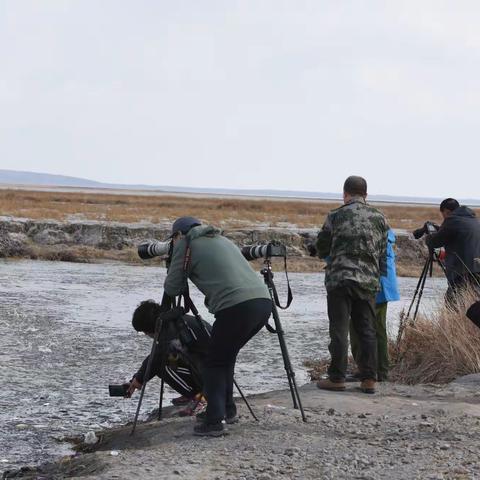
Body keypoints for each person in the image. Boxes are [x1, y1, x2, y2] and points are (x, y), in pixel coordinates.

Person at [163, 216, 272, 436]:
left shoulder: (186, 244)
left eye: (173, 240)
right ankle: (226, 410)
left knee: (213, 362)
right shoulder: (222, 239)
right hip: (262, 303)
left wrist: (173, 260)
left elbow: (173, 288)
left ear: (178, 235)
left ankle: (214, 421)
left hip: (236, 307)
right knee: (225, 356)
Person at [315, 176, 388, 394]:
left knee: (339, 329)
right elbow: (383, 253)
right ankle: (369, 379)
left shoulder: (336, 215)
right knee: (366, 329)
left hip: (339, 280)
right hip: (367, 281)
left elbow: (322, 248)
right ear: (366, 194)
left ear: (345, 193)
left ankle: (337, 377)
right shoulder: (380, 218)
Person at [126, 299, 211, 415]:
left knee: (162, 367)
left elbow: (156, 357)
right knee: (171, 359)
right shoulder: (175, 321)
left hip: (211, 373)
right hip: (214, 368)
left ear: (150, 327)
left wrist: (138, 380)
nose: (146, 334)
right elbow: (157, 353)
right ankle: (194, 392)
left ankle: (199, 398)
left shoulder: (170, 332)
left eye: (144, 331)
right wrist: (137, 378)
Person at [349, 228, 400, 381]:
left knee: (358, 327)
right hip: (384, 287)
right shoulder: (385, 234)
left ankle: (368, 369)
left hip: (370, 286)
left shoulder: (368, 234)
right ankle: (381, 370)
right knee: (378, 329)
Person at [425, 198, 480, 306]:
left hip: (461, 271)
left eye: (443, 215)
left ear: (447, 211)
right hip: (477, 269)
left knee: (452, 303)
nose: (444, 218)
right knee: (473, 303)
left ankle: (453, 321)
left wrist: (428, 237)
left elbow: (435, 242)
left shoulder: (452, 220)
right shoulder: (473, 220)